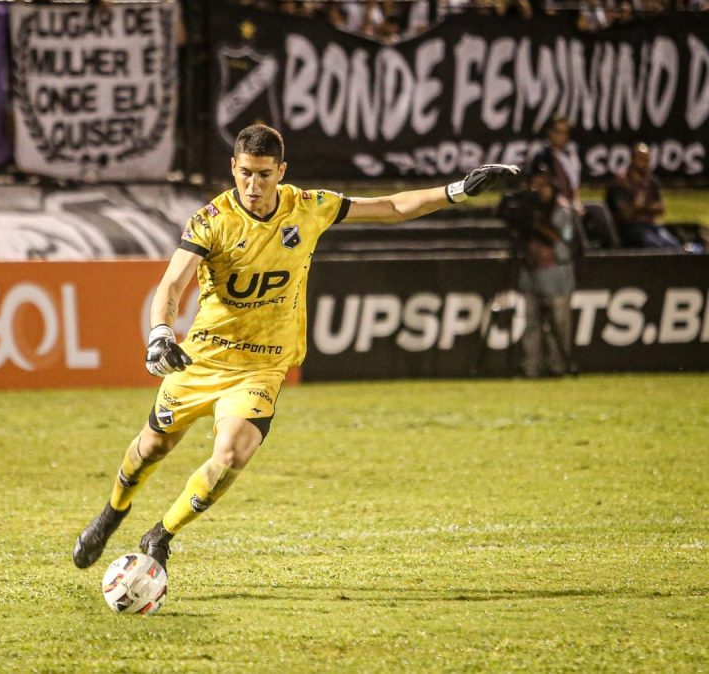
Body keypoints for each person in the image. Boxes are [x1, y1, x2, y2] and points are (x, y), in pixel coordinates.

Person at [72, 124, 519, 574]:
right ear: (233, 168)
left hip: (262, 366)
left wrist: (457, 190)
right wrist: (161, 333)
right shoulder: (212, 219)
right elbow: (171, 283)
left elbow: (390, 207)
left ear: (281, 171)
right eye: (245, 173)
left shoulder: (308, 207)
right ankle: (113, 511)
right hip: (204, 359)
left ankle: (161, 535)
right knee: (153, 448)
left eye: (264, 174)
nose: (253, 185)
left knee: (231, 454)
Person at [500, 162, 580, 378]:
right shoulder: (526, 207)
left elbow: (560, 239)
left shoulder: (561, 207)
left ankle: (558, 367)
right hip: (530, 271)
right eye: (534, 184)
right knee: (530, 325)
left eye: (543, 184)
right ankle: (530, 369)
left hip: (557, 274)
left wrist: (536, 222)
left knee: (559, 326)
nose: (538, 189)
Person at [528, 116, 616, 248]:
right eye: (558, 132)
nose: (562, 137)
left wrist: (576, 202)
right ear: (550, 133)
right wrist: (563, 203)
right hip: (552, 207)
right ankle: (583, 252)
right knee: (568, 214)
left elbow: (574, 186)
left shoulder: (569, 156)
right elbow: (539, 187)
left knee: (598, 209)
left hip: (571, 203)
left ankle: (614, 250)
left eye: (565, 133)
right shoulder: (542, 157)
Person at [605, 143, 681, 249]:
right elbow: (627, 214)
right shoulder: (620, 183)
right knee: (653, 244)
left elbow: (660, 208)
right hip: (628, 228)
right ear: (632, 159)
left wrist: (641, 208)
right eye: (641, 159)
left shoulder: (651, 182)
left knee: (673, 244)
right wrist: (643, 203)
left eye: (647, 160)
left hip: (650, 225)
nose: (645, 163)